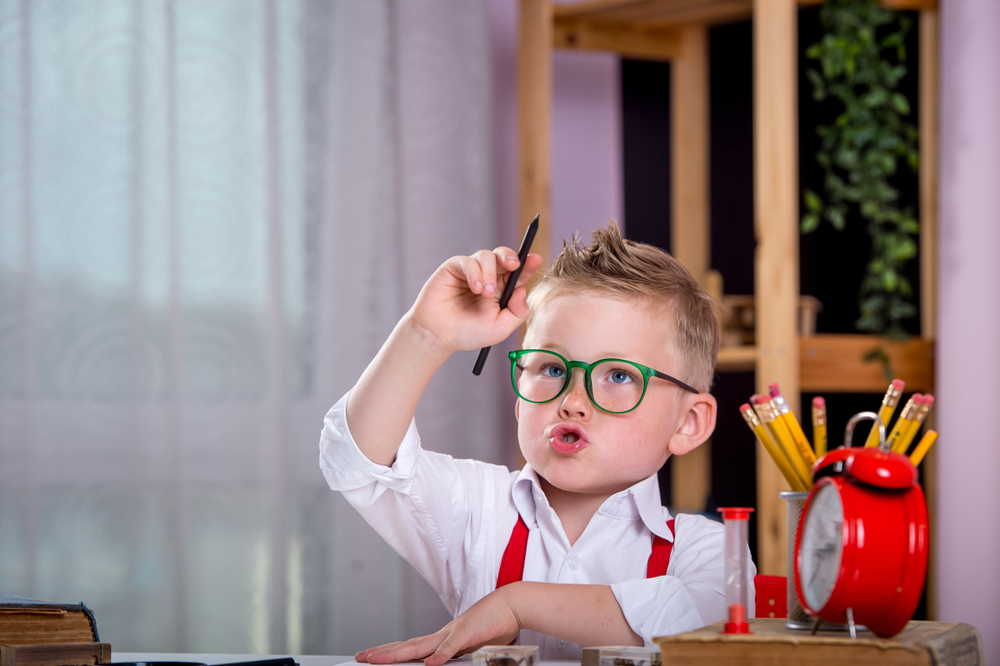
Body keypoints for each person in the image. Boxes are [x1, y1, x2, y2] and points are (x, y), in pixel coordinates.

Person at [319, 223, 754, 665]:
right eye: (552, 369)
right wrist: (424, 335)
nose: (573, 402)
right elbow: (357, 458)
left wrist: (517, 604)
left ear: (688, 423)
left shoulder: (707, 548)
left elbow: (702, 628)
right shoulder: (478, 509)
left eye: (619, 375)